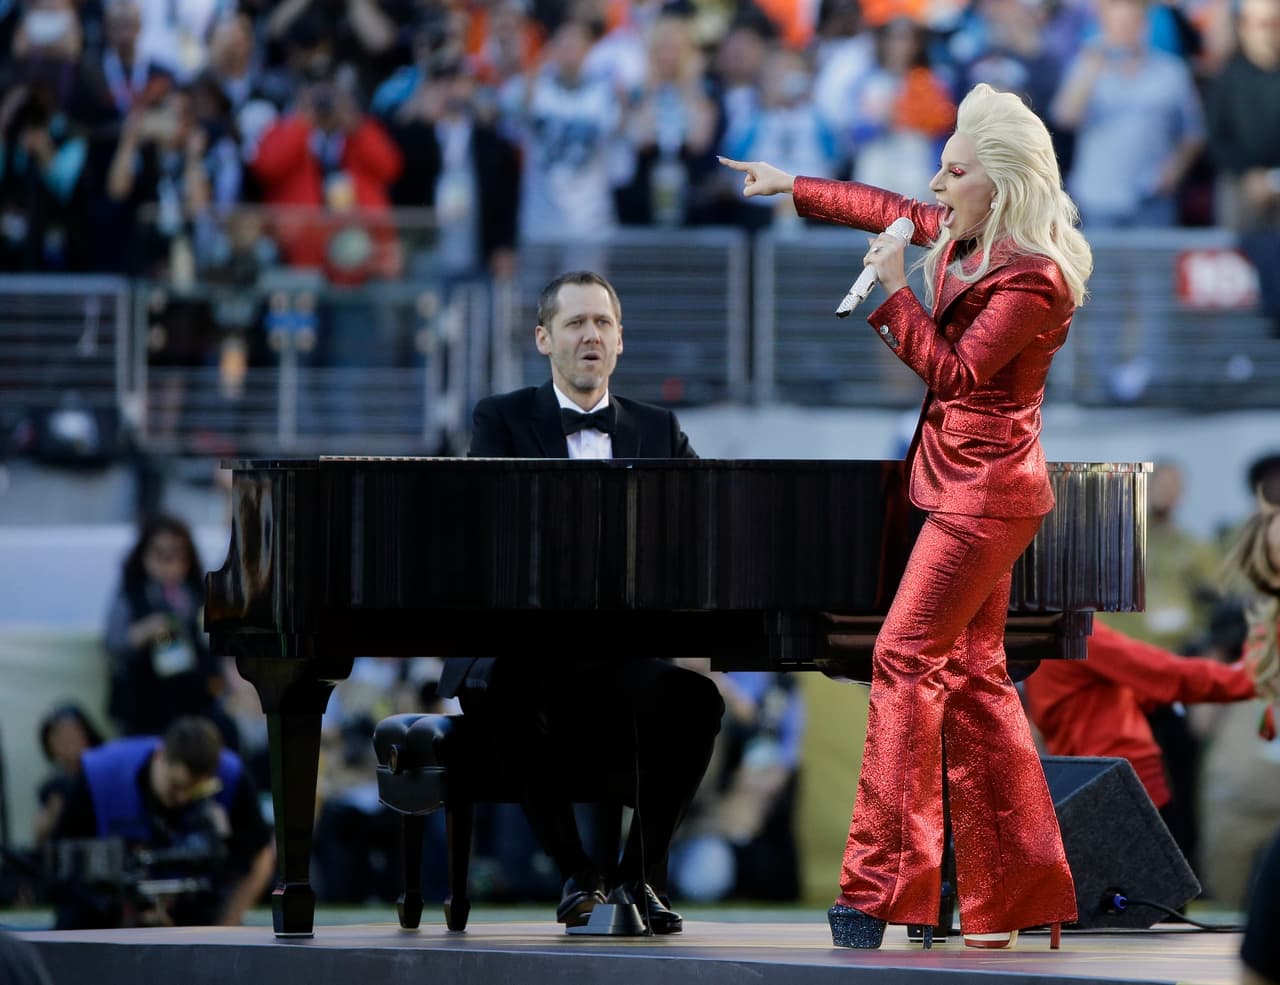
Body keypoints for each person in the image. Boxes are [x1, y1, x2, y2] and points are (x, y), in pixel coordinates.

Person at [720, 81, 1093, 950]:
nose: (934, 185)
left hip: (987, 496)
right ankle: (1015, 898)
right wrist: (794, 184)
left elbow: (958, 376)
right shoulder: (966, 234)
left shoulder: (1031, 278)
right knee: (973, 679)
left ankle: (881, 889)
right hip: (956, 485)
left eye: (952, 171)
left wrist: (893, 297)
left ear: (996, 183)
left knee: (903, 654)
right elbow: (884, 207)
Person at [437, 270, 725, 934]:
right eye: (575, 323)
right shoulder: (500, 417)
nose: (591, 335)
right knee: (505, 680)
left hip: (616, 650)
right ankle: (575, 869)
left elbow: (705, 519)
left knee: (698, 700)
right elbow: (492, 526)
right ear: (544, 338)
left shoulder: (659, 428)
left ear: (621, 340)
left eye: (603, 323)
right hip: (528, 645)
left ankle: (640, 874)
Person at [1023, 620, 1273, 822]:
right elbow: (1162, 673)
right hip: (1120, 787)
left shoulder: (1037, 640)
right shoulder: (1068, 632)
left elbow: (1139, 683)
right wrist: (1250, 676)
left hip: (1090, 788)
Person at [50, 715, 275, 929]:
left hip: (194, 915)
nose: (182, 798)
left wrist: (225, 927)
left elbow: (260, 855)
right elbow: (61, 863)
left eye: (193, 791)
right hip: (106, 917)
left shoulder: (232, 777)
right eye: (175, 787)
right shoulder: (99, 775)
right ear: (159, 756)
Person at [103, 513, 235, 746]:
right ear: (144, 554)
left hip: (194, 706)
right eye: (160, 553)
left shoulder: (198, 592)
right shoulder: (132, 594)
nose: (168, 562)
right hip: (145, 707)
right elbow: (112, 643)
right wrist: (145, 631)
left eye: (176, 554)